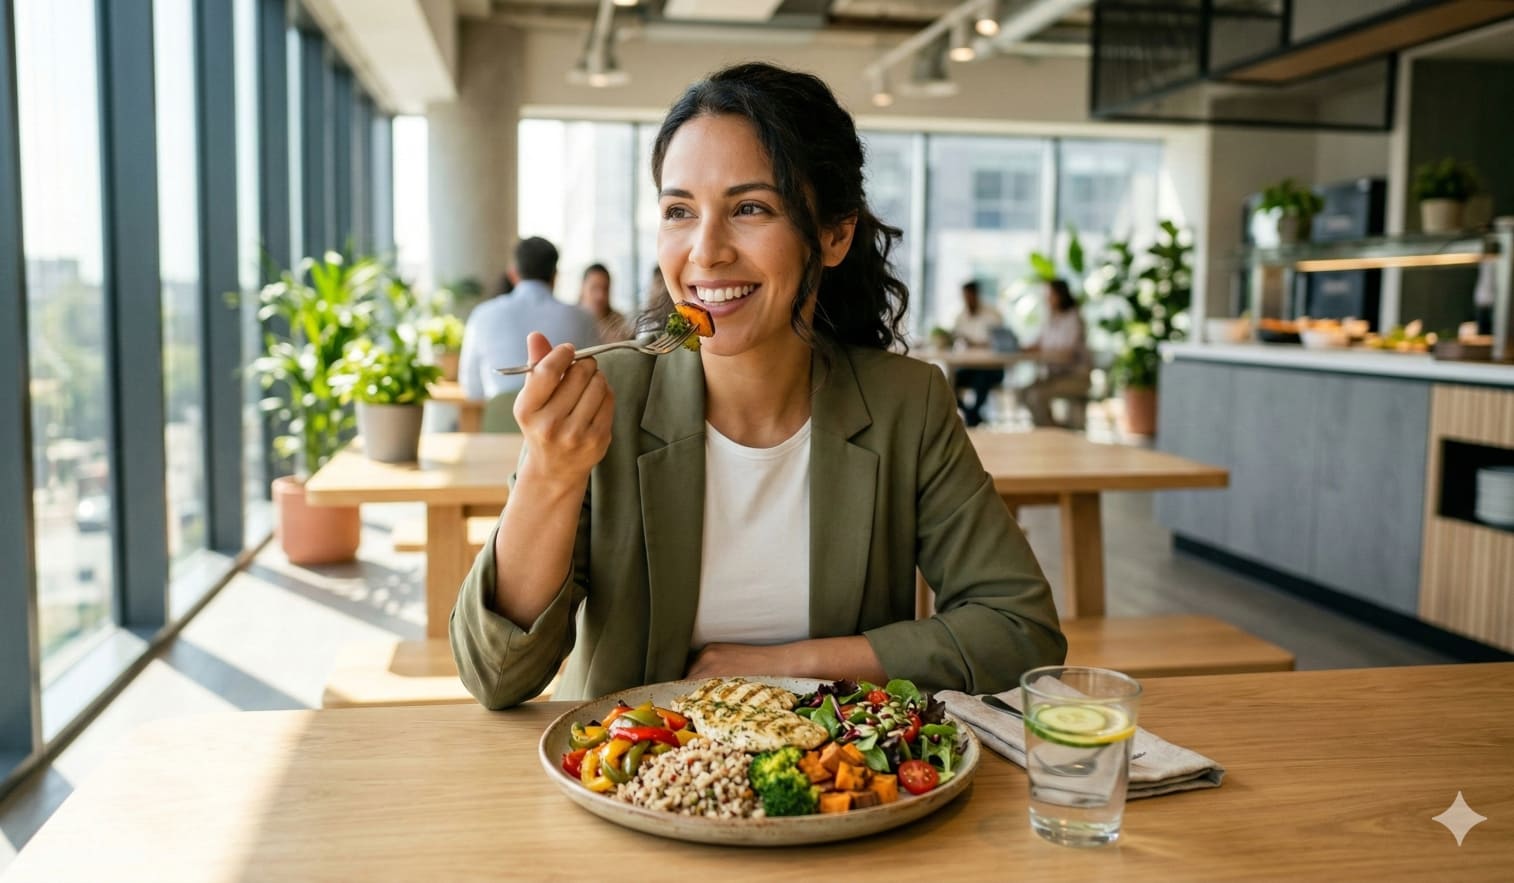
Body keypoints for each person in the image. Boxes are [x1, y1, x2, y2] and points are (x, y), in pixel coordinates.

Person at [450, 62, 1065, 709]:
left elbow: (1021, 629)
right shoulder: (610, 399)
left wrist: (782, 667)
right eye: (680, 210)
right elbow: (496, 675)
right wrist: (550, 474)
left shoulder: (905, 406)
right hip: (630, 787)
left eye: (749, 208)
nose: (706, 250)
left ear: (834, 232)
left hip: (841, 796)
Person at [457, 236, 599, 400]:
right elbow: (600, 372)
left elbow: (471, 388)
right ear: (555, 276)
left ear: (513, 273)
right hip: (563, 422)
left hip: (498, 422)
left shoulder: (482, 315)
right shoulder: (583, 317)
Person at [1021, 278, 1091, 428]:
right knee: (1022, 393)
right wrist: (1024, 347)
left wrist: (1043, 351)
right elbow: (1038, 342)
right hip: (1054, 376)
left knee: (1036, 396)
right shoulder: (1051, 317)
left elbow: (1067, 351)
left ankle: (1053, 433)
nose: (1047, 299)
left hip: (1075, 377)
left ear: (1061, 296)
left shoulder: (1073, 318)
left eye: (1050, 294)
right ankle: (1052, 428)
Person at [952, 280, 1006, 427]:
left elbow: (1000, 343)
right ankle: (972, 415)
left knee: (981, 379)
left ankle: (972, 416)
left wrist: (975, 343)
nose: (968, 300)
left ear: (977, 295)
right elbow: (955, 337)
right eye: (965, 297)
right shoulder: (960, 317)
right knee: (949, 382)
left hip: (992, 369)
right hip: (970, 367)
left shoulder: (993, 315)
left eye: (971, 296)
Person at [579, 263, 633, 343]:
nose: (600, 296)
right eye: (594, 288)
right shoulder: (571, 319)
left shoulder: (618, 322)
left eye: (605, 289)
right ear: (582, 287)